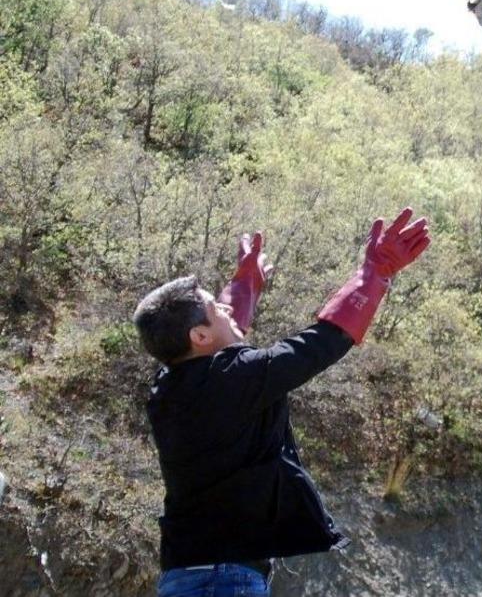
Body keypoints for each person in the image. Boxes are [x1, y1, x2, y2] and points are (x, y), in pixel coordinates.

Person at [133, 208, 430, 597]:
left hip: (185, 577)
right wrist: (376, 272)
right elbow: (319, 344)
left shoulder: (167, 388)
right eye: (215, 307)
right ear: (200, 335)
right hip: (222, 582)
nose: (224, 309)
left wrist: (245, 287)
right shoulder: (232, 380)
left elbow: (221, 339)